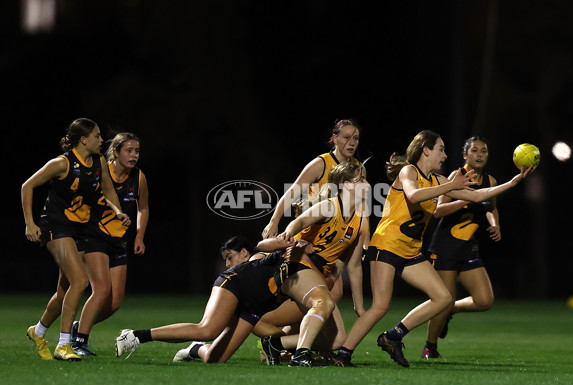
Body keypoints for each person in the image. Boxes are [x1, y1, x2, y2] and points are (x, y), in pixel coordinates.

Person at [332, 130, 534, 368]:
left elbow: (478, 195)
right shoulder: (409, 171)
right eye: (441, 149)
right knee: (380, 307)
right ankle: (342, 354)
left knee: (443, 298)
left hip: (410, 251)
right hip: (386, 245)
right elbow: (414, 195)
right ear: (426, 150)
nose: (445, 155)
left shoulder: (438, 180)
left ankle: (393, 336)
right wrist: (449, 186)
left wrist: (513, 182)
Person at [115, 238, 333, 366]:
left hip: (253, 308)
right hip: (235, 285)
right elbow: (263, 244)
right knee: (207, 329)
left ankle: (195, 350)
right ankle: (135, 336)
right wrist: (292, 241)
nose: (227, 261)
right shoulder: (270, 256)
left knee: (214, 359)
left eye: (229, 257)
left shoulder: (308, 278)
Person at [22, 118, 129, 361]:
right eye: (97, 136)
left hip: (80, 230)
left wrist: (117, 211)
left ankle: (38, 331)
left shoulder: (99, 161)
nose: (102, 140)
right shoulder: (61, 164)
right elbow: (26, 186)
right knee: (80, 281)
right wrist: (30, 223)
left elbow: (108, 190)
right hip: (56, 227)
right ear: (83, 139)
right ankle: (63, 345)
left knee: (64, 292)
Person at [259, 161, 370, 365]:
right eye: (361, 179)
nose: (368, 183)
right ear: (346, 184)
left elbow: (354, 266)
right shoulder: (330, 206)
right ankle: (301, 354)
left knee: (337, 340)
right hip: (295, 265)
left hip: (314, 275)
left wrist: (360, 307)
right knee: (254, 318)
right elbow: (299, 222)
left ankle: (276, 344)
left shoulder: (361, 218)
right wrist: (289, 234)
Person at [421, 137, 502, 359]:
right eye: (475, 150)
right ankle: (430, 346)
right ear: (465, 155)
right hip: (446, 246)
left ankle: (453, 310)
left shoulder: (490, 180)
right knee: (443, 301)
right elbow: (438, 210)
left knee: (484, 300)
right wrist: (466, 200)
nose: (480, 154)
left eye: (484, 151)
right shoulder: (456, 177)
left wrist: (495, 225)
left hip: (468, 247)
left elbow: (491, 206)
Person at [71, 132, 149, 356]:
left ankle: (80, 327)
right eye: (129, 151)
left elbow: (143, 207)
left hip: (119, 240)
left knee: (114, 302)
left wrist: (139, 235)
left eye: (136, 151)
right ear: (115, 152)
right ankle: (78, 342)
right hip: (94, 236)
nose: (134, 155)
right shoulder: (101, 170)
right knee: (102, 290)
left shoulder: (139, 177)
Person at [262, 119, 360, 240]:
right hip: (310, 234)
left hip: (338, 236)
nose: (352, 143)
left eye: (355, 138)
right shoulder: (320, 164)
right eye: (346, 137)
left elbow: (361, 206)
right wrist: (273, 222)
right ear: (335, 138)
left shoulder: (359, 169)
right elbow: (291, 193)